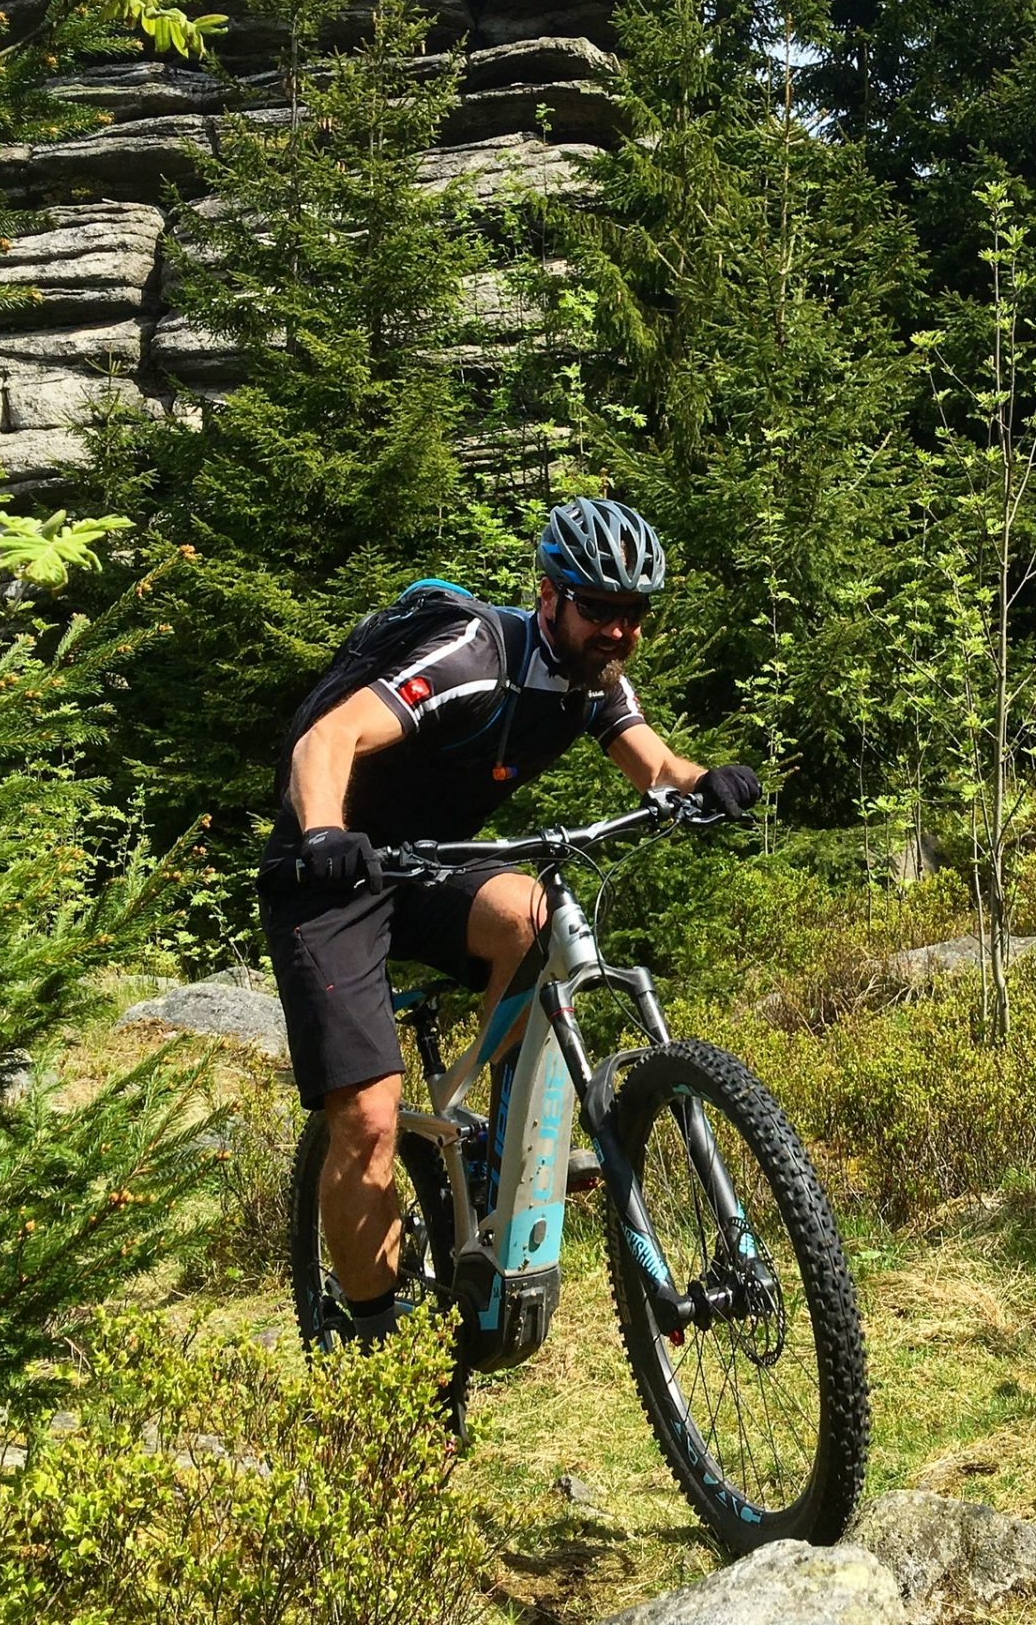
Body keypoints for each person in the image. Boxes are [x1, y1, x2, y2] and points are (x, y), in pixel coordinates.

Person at [258, 498, 761, 1342]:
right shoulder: (474, 655)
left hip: (430, 867)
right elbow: (326, 740)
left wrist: (706, 782)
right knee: (369, 1119)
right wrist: (323, 835)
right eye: (598, 608)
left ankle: (500, 1151)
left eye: (634, 614)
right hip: (329, 874)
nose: (618, 631)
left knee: (535, 915)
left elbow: (658, 767)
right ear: (549, 596)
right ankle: (374, 1353)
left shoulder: (596, 682)